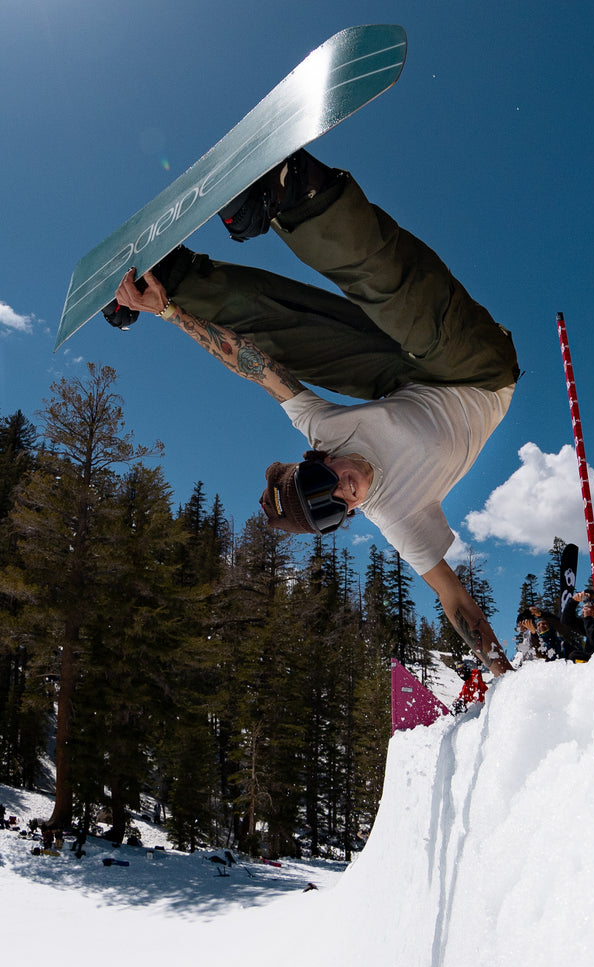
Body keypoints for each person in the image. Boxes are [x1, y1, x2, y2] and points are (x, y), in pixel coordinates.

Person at [112, 150, 519, 676]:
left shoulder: (328, 433)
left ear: (317, 459)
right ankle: (311, 203)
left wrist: (167, 310)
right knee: (413, 317)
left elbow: (251, 363)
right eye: (340, 500)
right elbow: (456, 603)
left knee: (289, 343)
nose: (347, 481)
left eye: (326, 476)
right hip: (482, 371)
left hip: (409, 375)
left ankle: (180, 276)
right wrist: (501, 674)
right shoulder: (399, 517)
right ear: (349, 513)